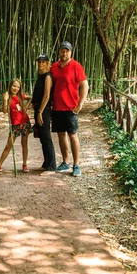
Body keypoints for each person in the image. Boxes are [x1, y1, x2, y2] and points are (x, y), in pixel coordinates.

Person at [50, 41, 89, 177]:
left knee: (73, 135)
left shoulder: (76, 66)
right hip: (57, 107)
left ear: (70, 52)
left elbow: (85, 86)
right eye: (62, 50)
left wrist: (80, 104)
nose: (64, 53)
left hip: (71, 108)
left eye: (67, 51)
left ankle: (76, 164)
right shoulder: (54, 67)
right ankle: (65, 162)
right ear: (59, 51)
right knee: (61, 135)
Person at [0, 78, 33, 173]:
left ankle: (24, 164)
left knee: (24, 144)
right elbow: (4, 111)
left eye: (18, 87)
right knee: (9, 145)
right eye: (14, 86)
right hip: (15, 124)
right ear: (10, 86)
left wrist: (25, 109)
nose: (16, 88)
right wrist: (5, 100)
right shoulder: (7, 96)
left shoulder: (20, 96)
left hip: (24, 122)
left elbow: (30, 98)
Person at [31, 54, 56, 172]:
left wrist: (40, 111)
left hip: (44, 110)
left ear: (47, 63)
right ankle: (47, 162)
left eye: (43, 62)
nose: (40, 64)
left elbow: (46, 96)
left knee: (46, 137)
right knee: (41, 137)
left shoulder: (47, 77)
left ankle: (51, 165)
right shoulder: (40, 76)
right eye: (39, 62)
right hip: (38, 109)